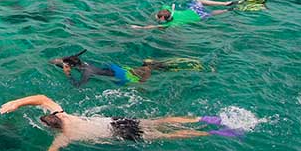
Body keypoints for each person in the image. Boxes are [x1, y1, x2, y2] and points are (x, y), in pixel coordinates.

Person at [0, 94, 237, 151]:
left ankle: (213, 134)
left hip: (121, 135)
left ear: (51, 126)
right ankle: (203, 120)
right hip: (119, 122)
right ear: (58, 117)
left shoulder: (64, 137)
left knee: (166, 136)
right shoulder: (65, 114)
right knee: (160, 121)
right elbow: (42, 98)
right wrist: (16, 103)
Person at [51, 49, 202, 87]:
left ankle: (154, 67)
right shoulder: (84, 64)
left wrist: (68, 75)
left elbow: (78, 86)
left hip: (125, 76)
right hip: (121, 69)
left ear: (70, 66)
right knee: (146, 68)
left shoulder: (87, 71)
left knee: (143, 80)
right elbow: (57, 61)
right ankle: (152, 65)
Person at [131, 0, 266, 30]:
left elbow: (152, 27)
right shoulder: (170, 11)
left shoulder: (172, 24)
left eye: (158, 17)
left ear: (163, 18)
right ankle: (225, 3)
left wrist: (139, 27)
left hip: (199, 16)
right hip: (193, 10)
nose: (156, 17)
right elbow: (165, 6)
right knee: (198, 0)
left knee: (212, 14)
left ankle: (229, 9)